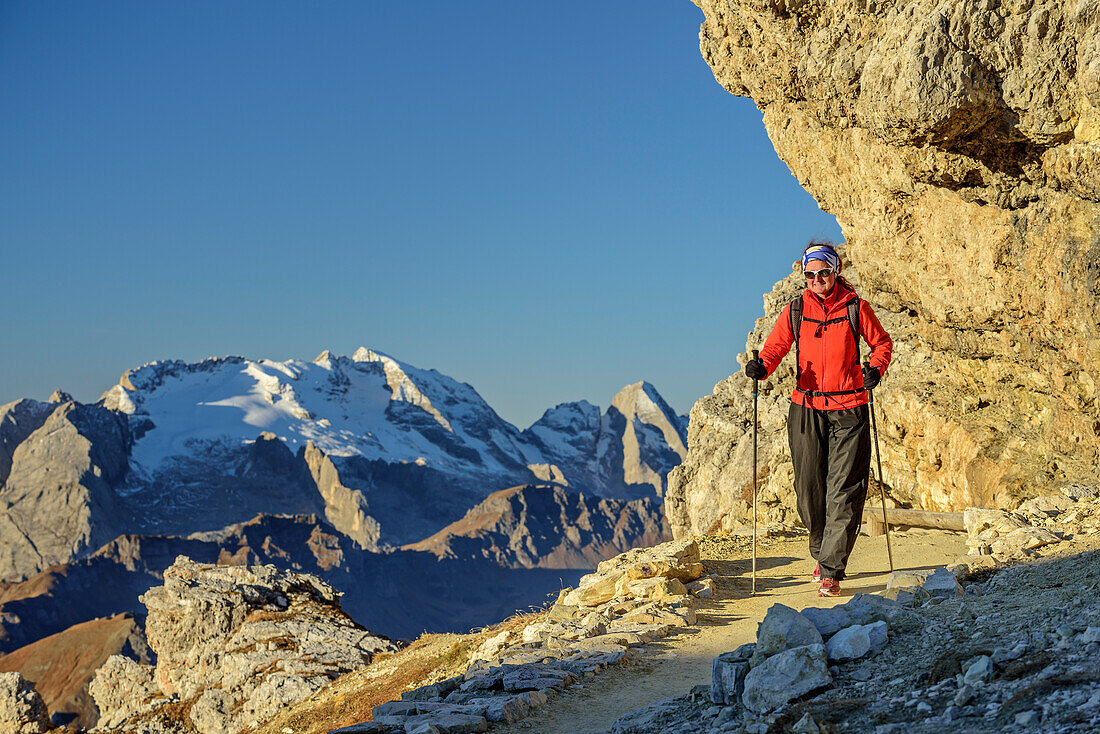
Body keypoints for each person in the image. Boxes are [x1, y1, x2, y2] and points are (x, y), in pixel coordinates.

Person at [744, 242, 893, 597]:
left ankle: (831, 569)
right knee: (809, 490)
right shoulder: (796, 309)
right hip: (806, 408)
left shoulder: (856, 307)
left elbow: (882, 343)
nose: (817, 280)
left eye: (823, 273)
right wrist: (762, 367)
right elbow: (775, 347)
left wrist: (875, 369)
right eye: (810, 275)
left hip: (850, 408)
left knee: (844, 489)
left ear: (835, 272)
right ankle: (822, 551)